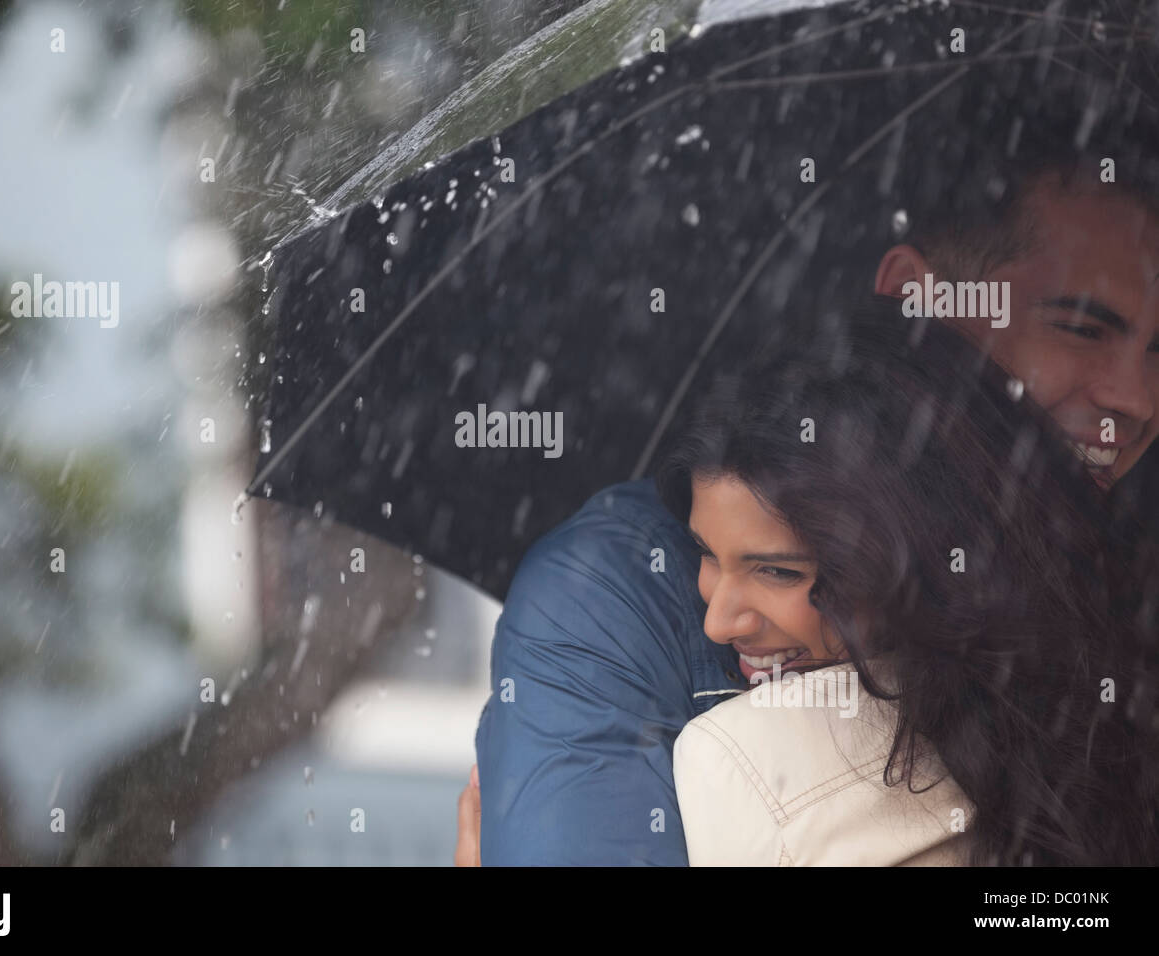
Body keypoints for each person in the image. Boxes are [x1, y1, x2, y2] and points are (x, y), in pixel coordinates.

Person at [460, 125, 1159, 866]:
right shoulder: (616, 598)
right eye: (1082, 328)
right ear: (918, 301)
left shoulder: (1119, 585)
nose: (1138, 399)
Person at [664, 299, 1157, 866]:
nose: (719, 623)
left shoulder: (739, 760)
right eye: (705, 553)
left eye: (779, 571)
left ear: (925, 557)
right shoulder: (1104, 702)